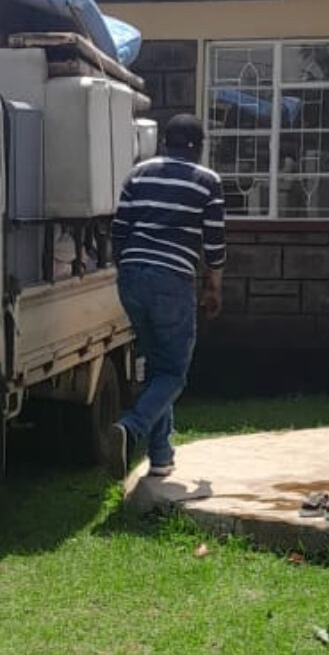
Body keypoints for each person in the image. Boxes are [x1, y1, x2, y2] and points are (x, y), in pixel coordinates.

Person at [107, 113, 226, 480]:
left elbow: (119, 231)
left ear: (164, 143)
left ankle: (161, 456)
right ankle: (130, 428)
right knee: (173, 373)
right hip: (172, 279)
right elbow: (214, 243)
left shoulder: (138, 174)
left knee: (157, 367)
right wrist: (214, 287)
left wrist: (129, 270)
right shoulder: (207, 181)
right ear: (199, 147)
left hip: (131, 276)